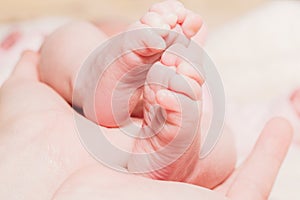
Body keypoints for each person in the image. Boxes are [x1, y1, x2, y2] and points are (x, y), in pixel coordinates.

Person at [0, 51, 293, 199]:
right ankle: (97, 77)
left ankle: (180, 160)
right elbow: (36, 58)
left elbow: (252, 121)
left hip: (65, 148)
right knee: (67, 42)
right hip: (73, 131)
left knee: (221, 146)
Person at [37, 0, 236, 187]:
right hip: (115, 116)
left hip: (163, 115)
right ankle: (94, 76)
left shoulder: (186, 74)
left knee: (219, 138)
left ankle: (182, 160)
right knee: (221, 141)